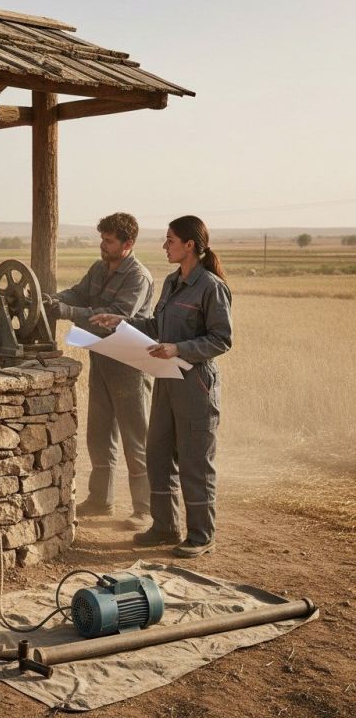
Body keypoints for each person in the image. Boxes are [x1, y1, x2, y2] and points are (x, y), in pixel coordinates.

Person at [91, 216, 232, 558]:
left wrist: (179, 348)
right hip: (166, 379)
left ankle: (201, 534)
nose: (164, 246)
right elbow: (157, 324)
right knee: (157, 454)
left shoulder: (211, 286)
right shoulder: (171, 283)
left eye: (170, 240)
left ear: (189, 245)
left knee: (195, 460)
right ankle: (165, 527)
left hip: (195, 385)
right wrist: (122, 322)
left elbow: (222, 339)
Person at [49, 212, 154, 529]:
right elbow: (80, 292)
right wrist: (54, 299)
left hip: (130, 364)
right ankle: (100, 500)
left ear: (127, 244)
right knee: (99, 433)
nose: (103, 245)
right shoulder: (99, 268)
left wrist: (66, 311)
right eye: (102, 239)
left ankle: (145, 509)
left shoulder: (138, 277)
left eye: (109, 241)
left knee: (135, 438)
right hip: (102, 359)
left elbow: (115, 317)